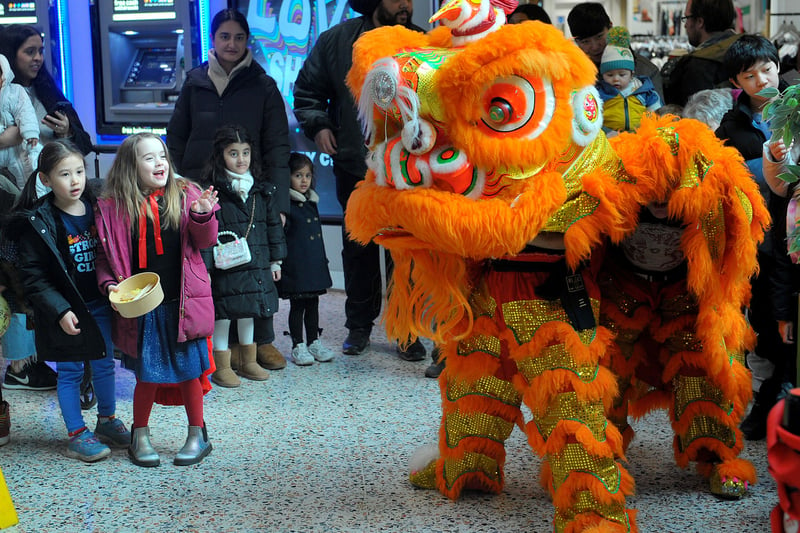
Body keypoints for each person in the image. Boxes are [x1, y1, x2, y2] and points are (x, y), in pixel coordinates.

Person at [293, 0, 428, 359]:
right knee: (358, 249)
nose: (406, 5)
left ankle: (407, 330)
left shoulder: (423, 43)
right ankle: (359, 326)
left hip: (410, 170)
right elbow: (307, 92)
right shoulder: (338, 41)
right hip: (356, 165)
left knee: (406, 252)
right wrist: (319, 126)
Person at [166, 8, 290, 371]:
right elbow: (175, 138)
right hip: (200, 191)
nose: (231, 44)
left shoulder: (262, 85)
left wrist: (279, 201)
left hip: (248, 192)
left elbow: (278, 145)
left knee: (253, 265)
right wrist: (171, 183)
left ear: (246, 41)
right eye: (224, 36)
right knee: (208, 267)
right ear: (213, 39)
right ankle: (212, 342)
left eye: (238, 37)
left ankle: (259, 341)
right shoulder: (195, 82)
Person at [95, 133, 219, 467]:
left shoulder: (186, 194)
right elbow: (106, 259)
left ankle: (198, 434)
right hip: (144, 307)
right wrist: (109, 286)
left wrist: (203, 215)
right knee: (146, 374)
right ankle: (141, 435)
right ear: (129, 167)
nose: (159, 163)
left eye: (162, 155)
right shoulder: (114, 207)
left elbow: (205, 242)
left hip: (183, 304)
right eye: (148, 158)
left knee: (190, 371)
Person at [10, 140, 130, 462]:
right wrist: (60, 310)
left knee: (105, 364)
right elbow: (34, 278)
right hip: (65, 312)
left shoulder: (95, 205)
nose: (75, 180)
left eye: (79, 171)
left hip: (101, 304)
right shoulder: (40, 221)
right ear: (46, 180)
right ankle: (77, 433)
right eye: (65, 174)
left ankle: (106, 420)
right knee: (72, 371)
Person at [716, 34, 793, 441]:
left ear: (778, 67)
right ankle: (767, 400)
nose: (762, 80)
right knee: (764, 319)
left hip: (795, 231)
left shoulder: (796, 109)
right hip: (758, 238)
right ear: (737, 81)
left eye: (768, 69)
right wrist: (762, 164)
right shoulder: (731, 125)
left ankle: (786, 396)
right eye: (750, 75)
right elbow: (720, 176)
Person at [202, 125, 286, 386]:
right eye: (233, 153)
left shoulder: (261, 191)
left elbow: (273, 228)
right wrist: (205, 267)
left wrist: (275, 260)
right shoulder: (214, 191)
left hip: (255, 261)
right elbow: (204, 231)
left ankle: (249, 361)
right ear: (221, 156)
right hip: (225, 266)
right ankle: (221, 365)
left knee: (249, 311)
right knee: (224, 314)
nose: (241, 159)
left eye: (246, 152)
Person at [0, 25, 93, 156]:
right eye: (30, 52)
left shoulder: (48, 90)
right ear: (10, 55)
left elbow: (85, 144)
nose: (38, 58)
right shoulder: (4, 95)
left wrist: (66, 132)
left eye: (40, 51)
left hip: (52, 171)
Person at [279, 153, 335, 366]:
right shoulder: (287, 206)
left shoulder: (312, 202)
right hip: (296, 267)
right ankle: (297, 345)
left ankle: (314, 341)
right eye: (298, 175)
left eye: (308, 176)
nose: (303, 180)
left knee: (313, 305)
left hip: (313, 266)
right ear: (288, 177)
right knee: (298, 306)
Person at [567, 2, 663, 101]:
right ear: (576, 41)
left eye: (599, 37)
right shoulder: (570, 73)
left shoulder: (645, 69)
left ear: (610, 27)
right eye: (585, 41)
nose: (595, 47)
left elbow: (660, 113)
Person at [661, 0, 742, 106]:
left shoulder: (696, 65)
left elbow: (691, 116)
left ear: (700, 22)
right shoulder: (751, 48)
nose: (685, 25)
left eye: (687, 18)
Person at [596, 27, 662, 133]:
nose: (616, 79)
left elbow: (656, 112)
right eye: (610, 75)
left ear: (632, 74)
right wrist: (605, 132)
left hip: (640, 137)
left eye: (622, 75)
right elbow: (592, 119)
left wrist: (649, 129)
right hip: (610, 139)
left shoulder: (644, 90)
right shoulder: (599, 94)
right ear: (602, 75)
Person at [0, 53, 40, 188]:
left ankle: (30, 198)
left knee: (25, 172)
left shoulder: (15, 91)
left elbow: (25, 111)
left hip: (15, 149)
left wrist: (30, 132)